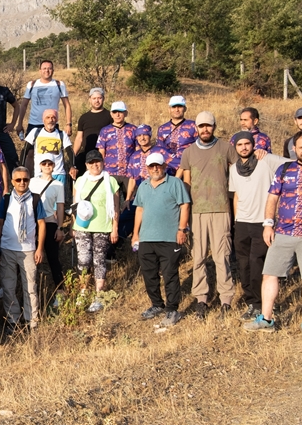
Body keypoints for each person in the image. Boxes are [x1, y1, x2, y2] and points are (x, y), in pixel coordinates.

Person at [243, 132, 302, 337]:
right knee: (270, 274)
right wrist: (268, 224)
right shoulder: (285, 169)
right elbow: (272, 198)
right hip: (283, 232)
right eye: (301, 147)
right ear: (294, 149)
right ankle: (266, 318)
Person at [176, 111, 239, 318]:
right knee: (199, 257)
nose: (205, 129)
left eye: (209, 126)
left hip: (221, 209)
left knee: (223, 257)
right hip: (197, 211)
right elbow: (186, 182)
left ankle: (226, 299)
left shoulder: (226, 148)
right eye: (201, 126)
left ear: (214, 126)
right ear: (196, 127)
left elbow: (239, 174)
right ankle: (201, 299)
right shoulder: (189, 152)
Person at [228, 132, 291, 320]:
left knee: (257, 263)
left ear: (253, 144)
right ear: (235, 147)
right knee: (244, 264)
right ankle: (252, 302)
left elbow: (293, 164)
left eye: (247, 143)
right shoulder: (233, 169)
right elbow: (237, 195)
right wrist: (237, 219)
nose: (244, 147)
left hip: (262, 223)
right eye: (240, 144)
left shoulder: (266, 161)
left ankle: (260, 304)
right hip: (242, 223)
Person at [131, 153, 191, 328]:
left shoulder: (175, 183)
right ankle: (156, 304)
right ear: (147, 168)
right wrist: (136, 234)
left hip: (169, 238)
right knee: (149, 274)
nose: (155, 169)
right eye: (151, 166)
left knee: (170, 273)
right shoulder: (143, 186)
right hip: (147, 238)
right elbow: (139, 210)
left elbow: (184, 205)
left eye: (158, 165)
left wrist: (182, 229)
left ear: (164, 166)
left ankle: (172, 309)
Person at [0, 167, 46, 332]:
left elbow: (41, 224)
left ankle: (32, 321)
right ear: (12, 182)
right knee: (8, 287)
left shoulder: (35, 199)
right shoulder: (7, 199)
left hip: (28, 250)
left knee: (30, 287)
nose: (22, 183)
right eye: (18, 180)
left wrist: (40, 248)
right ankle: (13, 320)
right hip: (7, 248)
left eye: (25, 179)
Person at [73, 150, 120, 313]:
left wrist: (115, 228)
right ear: (86, 165)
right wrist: (74, 225)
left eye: (97, 161)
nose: (95, 165)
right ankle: (84, 291)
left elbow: (115, 207)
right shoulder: (80, 181)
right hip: (82, 227)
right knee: (83, 260)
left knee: (99, 260)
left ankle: (99, 295)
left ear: (102, 162)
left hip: (103, 227)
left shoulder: (111, 181)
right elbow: (75, 205)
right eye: (91, 162)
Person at [97, 102, 137, 240]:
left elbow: (138, 151)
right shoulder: (105, 131)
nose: (118, 114)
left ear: (125, 113)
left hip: (129, 174)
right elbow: (101, 153)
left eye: (120, 111)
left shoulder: (133, 129)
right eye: (115, 112)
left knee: (131, 204)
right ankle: (109, 234)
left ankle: (127, 234)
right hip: (110, 173)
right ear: (111, 114)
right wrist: (101, 173)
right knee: (111, 204)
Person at [31, 152, 66, 302]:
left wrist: (60, 227)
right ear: (40, 165)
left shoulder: (58, 185)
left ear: (54, 166)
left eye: (49, 164)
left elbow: (60, 207)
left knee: (53, 258)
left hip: (50, 222)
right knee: (26, 255)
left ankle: (61, 291)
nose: (47, 166)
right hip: (32, 222)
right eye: (44, 164)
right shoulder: (31, 181)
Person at [13, 59, 72, 141]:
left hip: (52, 123)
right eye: (44, 68)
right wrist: (19, 124)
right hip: (34, 124)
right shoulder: (31, 84)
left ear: (53, 70)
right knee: (30, 152)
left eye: (49, 68)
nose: (47, 71)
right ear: (40, 70)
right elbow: (24, 105)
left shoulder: (59, 84)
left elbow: (67, 105)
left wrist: (68, 124)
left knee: (53, 150)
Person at [23, 108, 76, 185]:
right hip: (40, 174)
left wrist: (73, 166)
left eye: (53, 117)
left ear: (56, 120)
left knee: (59, 196)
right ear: (43, 120)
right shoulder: (35, 132)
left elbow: (70, 151)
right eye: (48, 117)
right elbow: (25, 150)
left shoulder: (62, 134)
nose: (51, 120)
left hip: (58, 174)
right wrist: (21, 167)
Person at [124, 125, 171, 206]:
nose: (142, 138)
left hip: (160, 192)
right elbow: (132, 179)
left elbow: (179, 165)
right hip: (141, 194)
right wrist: (128, 198)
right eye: (139, 135)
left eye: (145, 135)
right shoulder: (134, 156)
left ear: (150, 135)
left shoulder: (161, 151)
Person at [73, 88, 111, 173]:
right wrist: (73, 155)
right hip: (87, 154)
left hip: (105, 154)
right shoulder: (84, 117)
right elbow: (79, 138)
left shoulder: (110, 115)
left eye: (99, 98)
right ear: (90, 100)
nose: (97, 101)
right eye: (94, 98)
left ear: (103, 99)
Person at [156, 95, 197, 172]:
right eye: (174, 107)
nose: (177, 110)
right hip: (168, 169)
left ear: (185, 109)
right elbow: (160, 150)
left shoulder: (193, 126)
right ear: (169, 109)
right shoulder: (162, 129)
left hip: (188, 168)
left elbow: (200, 147)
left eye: (180, 107)